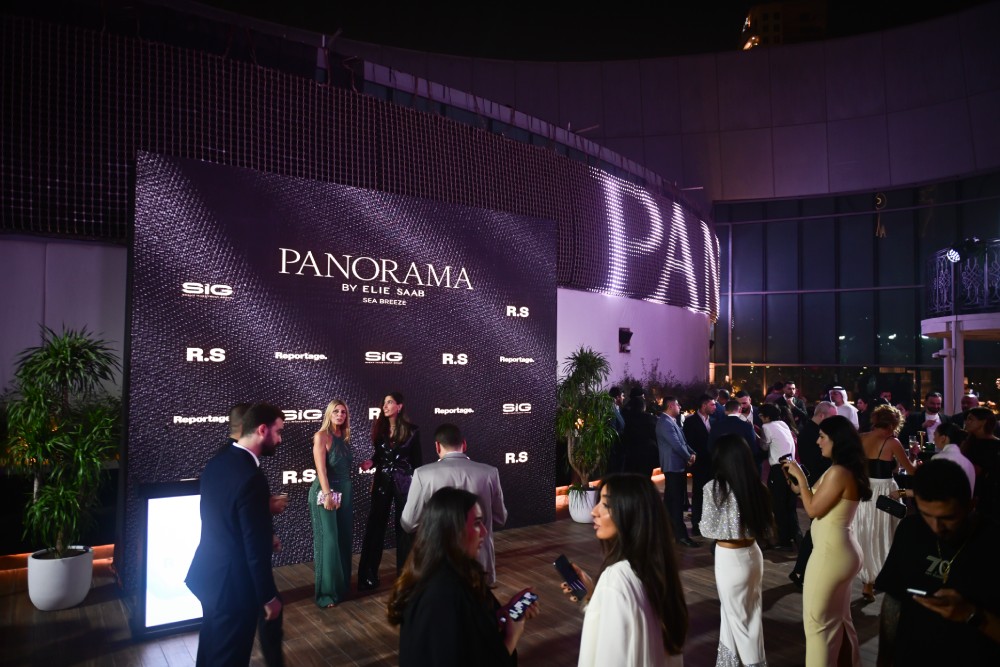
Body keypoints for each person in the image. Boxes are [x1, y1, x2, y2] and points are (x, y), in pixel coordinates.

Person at [387, 487, 539, 666]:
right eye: (476, 523)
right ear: (452, 531)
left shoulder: (452, 575)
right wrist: (512, 637)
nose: (484, 532)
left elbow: (467, 635)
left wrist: (499, 614)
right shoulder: (442, 595)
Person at [185, 402, 284, 667]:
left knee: (210, 651)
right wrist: (268, 597)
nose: (280, 439)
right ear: (262, 430)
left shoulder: (218, 462)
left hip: (209, 576)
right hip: (233, 589)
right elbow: (254, 548)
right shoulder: (252, 477)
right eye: (278, 432)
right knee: (228, 658)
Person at [874, 459, 1000, 664]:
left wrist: (970, 614)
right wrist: (884, 658)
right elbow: (893, 599)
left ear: (971, 505)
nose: (936, 527)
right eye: (926, 515)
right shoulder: (910, 529)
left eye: (948, 518)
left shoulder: (992, 543)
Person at [561, 474, 688, 666]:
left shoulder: (616, 578)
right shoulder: (656, 570)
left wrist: (603, 594)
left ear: (631, 513)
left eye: (606, 505)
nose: (594, 511)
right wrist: (594, 596)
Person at [782, 415, 871, 667]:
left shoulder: (838, 472)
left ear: (837, 440)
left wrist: (801, 477)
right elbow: (812, 497)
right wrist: (796, 482)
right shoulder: (842, 469)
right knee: (839, 621)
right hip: (842, 550)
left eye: (822, 437)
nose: (817, 441)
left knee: (817, 625)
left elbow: (812, 510)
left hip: (830, 554)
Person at [700, 434, 776, 665]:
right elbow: (767, 527)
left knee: (739, 620)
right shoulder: (758, 488)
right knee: (747, 614)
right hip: (753, 554)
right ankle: (727, 663)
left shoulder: (714, 488)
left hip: (729, 558)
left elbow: (707, 528)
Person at [401, 423, 508, 584]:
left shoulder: (423, 475)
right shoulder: (489, 472)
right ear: (464, 444)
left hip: (439, 563)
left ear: (437, 446)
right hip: (480, 562)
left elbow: (408, 523)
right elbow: (500, 518)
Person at [358, 391, 423, 591]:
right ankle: (367, 575)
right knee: (375, 527)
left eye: (389, 402)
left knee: (405, 528)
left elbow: (417, 462)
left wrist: (418, 488)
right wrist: (372, 462)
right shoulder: (380, 429)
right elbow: (379, 455)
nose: (385, 406)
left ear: (399, 406)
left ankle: (406, 577)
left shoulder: (413, 431)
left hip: (404, 483)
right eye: (384, 403)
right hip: (382, 481)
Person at [851, 404, 915, 602]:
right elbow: (911, 471)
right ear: (894, 424)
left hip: (864, 490)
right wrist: (914, 456)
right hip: (885, 491)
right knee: (884, 534)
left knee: (866, 534)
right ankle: (880, 577)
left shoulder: (861, 437)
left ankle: (867, 583)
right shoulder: (892, 442)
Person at [308, 399, 354, 608]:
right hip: (326, 491)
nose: (340, 415)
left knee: (344, 538)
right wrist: (328, 495)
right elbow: (321, 470)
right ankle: (326, 593)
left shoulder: (344, 437)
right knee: (329, 541)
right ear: (329, 414)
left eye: (343, 412)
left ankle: (341, 587)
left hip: (345, 491)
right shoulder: (321, 436)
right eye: (336, 411)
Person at [788, 401, 838, 587]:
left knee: (815, 529)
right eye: (832, 417)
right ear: (823, 415)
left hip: (818, 483)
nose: (820, 441)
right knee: (815, 529)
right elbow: (815, 462)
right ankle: (801, 570)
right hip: (817, 484)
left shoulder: (811, 430)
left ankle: (800, 570)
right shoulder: (811, 433)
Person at [655, 396, 698, 547]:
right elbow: (676, 444)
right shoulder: (665, 423)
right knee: (676, 502)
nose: (680, 407)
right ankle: (680, 535)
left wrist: (692, 452)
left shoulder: (670, 421)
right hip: (673, 466)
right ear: (671, 406)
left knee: (671, 500)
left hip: (677, 465)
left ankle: (666, 532)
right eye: (678, 404)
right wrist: (688, 456)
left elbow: (683, 442)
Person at [759, 403, 800, 551]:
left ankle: (784, 540)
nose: (760, 418)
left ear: (767, 417)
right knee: (790, 504)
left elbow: (764, 446)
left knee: (778, 504)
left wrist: (757, 436)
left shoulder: (766, 427)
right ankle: (796, 535)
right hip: (791, 466)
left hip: (778, 469)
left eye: (761, 416)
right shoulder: (783, 424)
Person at [682, 393, 714, 537]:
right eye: (712, 404)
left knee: (712, 493)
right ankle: (696, 523)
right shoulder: (690, 421)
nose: (715, 407)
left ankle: (710, 522)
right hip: (700, 463)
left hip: (713, 463)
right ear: (704, 405)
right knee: (699, 493)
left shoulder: (715, 420)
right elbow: (688, 442)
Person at [621, 394, 660, 476]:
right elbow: (655, 435)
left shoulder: (627, 418)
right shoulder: (650, 418)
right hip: (647, 453)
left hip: (631, 452)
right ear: (643, 406)